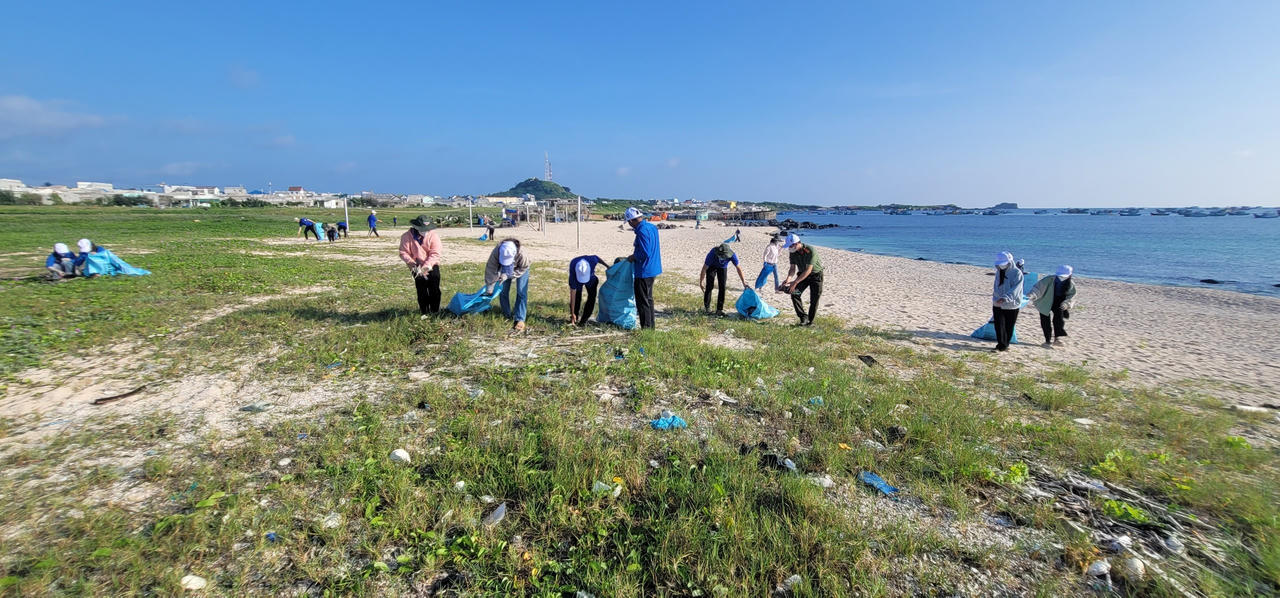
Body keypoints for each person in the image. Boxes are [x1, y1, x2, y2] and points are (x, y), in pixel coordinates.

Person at [398, 215, 443, 316]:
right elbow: (403, 252)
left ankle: (435, 311)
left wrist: (427, 266)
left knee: (434, 289)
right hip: (416, 266)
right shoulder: (406, 236)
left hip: (432, 265)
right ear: (416, 227)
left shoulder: (433, 236)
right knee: (421, 290)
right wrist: (412, 263)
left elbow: (435, 253)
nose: (425, 231)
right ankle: (424, 312)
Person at [626, 207, 662, 329]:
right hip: (653, 268)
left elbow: (645, 252)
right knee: (648, 299)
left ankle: (646, 328)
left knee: (642, 301)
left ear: (632, 221)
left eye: (629, 222)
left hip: (644, 270)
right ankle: (651, 327)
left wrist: (633, 257)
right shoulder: (652, 227)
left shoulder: (642, 231)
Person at [486, 239, 532, 334]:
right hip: (503, 269)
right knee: (503, 291)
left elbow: (524, 267)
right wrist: (490, 286)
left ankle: (520, 318)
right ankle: (506, 314)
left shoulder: (523, 254)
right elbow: (490, 268)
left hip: (521, 269)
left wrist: (511, 275)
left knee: (521, 292)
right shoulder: (496, 252)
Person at [1028, 265, 1076, 347]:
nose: (1061, 278)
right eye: (1060, 276)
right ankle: (1047, 340)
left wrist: (1066, 304)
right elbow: (1038, 288)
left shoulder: (1071, 284)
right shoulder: (1048, 279)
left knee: (1059, 320)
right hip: (1045, 300)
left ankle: (1057, 339)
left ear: (1070, 275)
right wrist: (1032, 295)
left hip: (1060, 302)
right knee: (1045, 321)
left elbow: (1072, 295)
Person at [781, 234, 823, 326]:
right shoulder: (793, 252)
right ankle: (803, 317)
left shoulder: (810, 250)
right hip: (802, 275)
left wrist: (795, 282)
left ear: (797, 243)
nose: (789, 248)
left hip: (816, 276)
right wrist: (788, 279)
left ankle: (810, 322)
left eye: (791, 246)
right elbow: (792, 268)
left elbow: (808, 270)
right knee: (795, 294)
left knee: (814, 299)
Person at [991, 251, 1025, 351]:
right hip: (997, 303)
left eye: (1004, 264)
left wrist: (1005, 298)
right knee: (998, 325)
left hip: (1012, 304)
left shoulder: (1017, 273)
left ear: (1010, 262)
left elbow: (1016, 289)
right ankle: (1001, 345)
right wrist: (996, 298)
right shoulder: (998, 271)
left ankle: (1005, 345)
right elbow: (996, 286)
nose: (1002, 266)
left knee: (1009, 326)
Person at [700, 243, 747, 314]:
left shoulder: (732, 255)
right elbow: (704, 268)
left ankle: (719, 310)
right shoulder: (713, 253)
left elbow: (738, 268)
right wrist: (701, 282)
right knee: (709, 286)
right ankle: (707, 308)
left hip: (722, 268)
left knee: (722, 287)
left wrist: (743, 282)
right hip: (711, 267)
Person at [567, 254, 606, 326]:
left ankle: (584, 320)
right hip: (577, 280)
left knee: (592, 297)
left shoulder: (592, 260)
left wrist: (607, 266)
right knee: (577, 297)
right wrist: (572, 313)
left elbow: (598, 258)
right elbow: (572, 296)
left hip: (591, 278)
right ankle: (574, 317)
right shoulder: (573, 269)